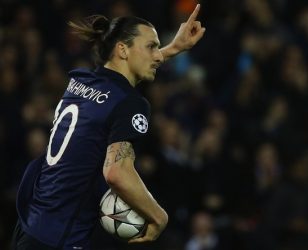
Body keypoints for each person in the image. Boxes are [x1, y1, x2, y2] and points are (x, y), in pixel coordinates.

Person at [13, 4, 205, 250]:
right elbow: (116, 172)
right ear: (122, 49)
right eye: (151, 47)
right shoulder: (131, 104)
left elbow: (116, 76)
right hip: (58, 238)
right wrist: (159, 216)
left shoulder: (80, 81)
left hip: (30, 224)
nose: (158, 56)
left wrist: (173, 49)